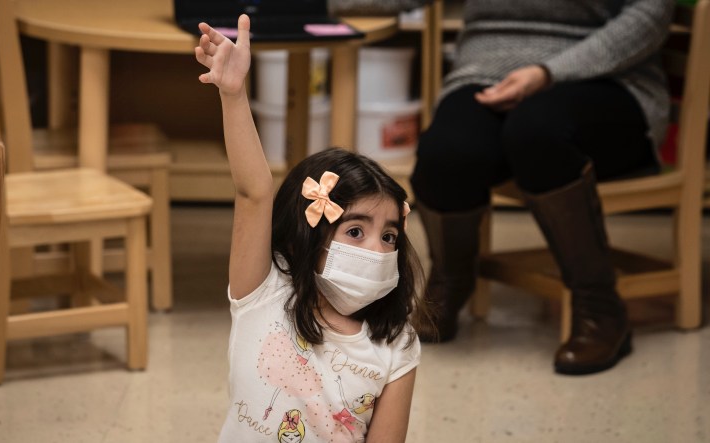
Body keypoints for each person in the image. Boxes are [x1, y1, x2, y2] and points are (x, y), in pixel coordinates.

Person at [411, 0, 675, 376]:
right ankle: (451, 280)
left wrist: (548, 73)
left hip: (607, 78)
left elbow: (650, 14)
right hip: (486, 74)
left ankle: (600, 308)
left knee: (536, 132)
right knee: (447, 152)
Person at [194, 15, 423, 442]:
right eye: (355, 231)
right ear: (310, 232)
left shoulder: (397, 345)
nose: (376, 249)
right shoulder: (265, 291)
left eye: (389, 236)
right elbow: (253, 192)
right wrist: (234, 95)